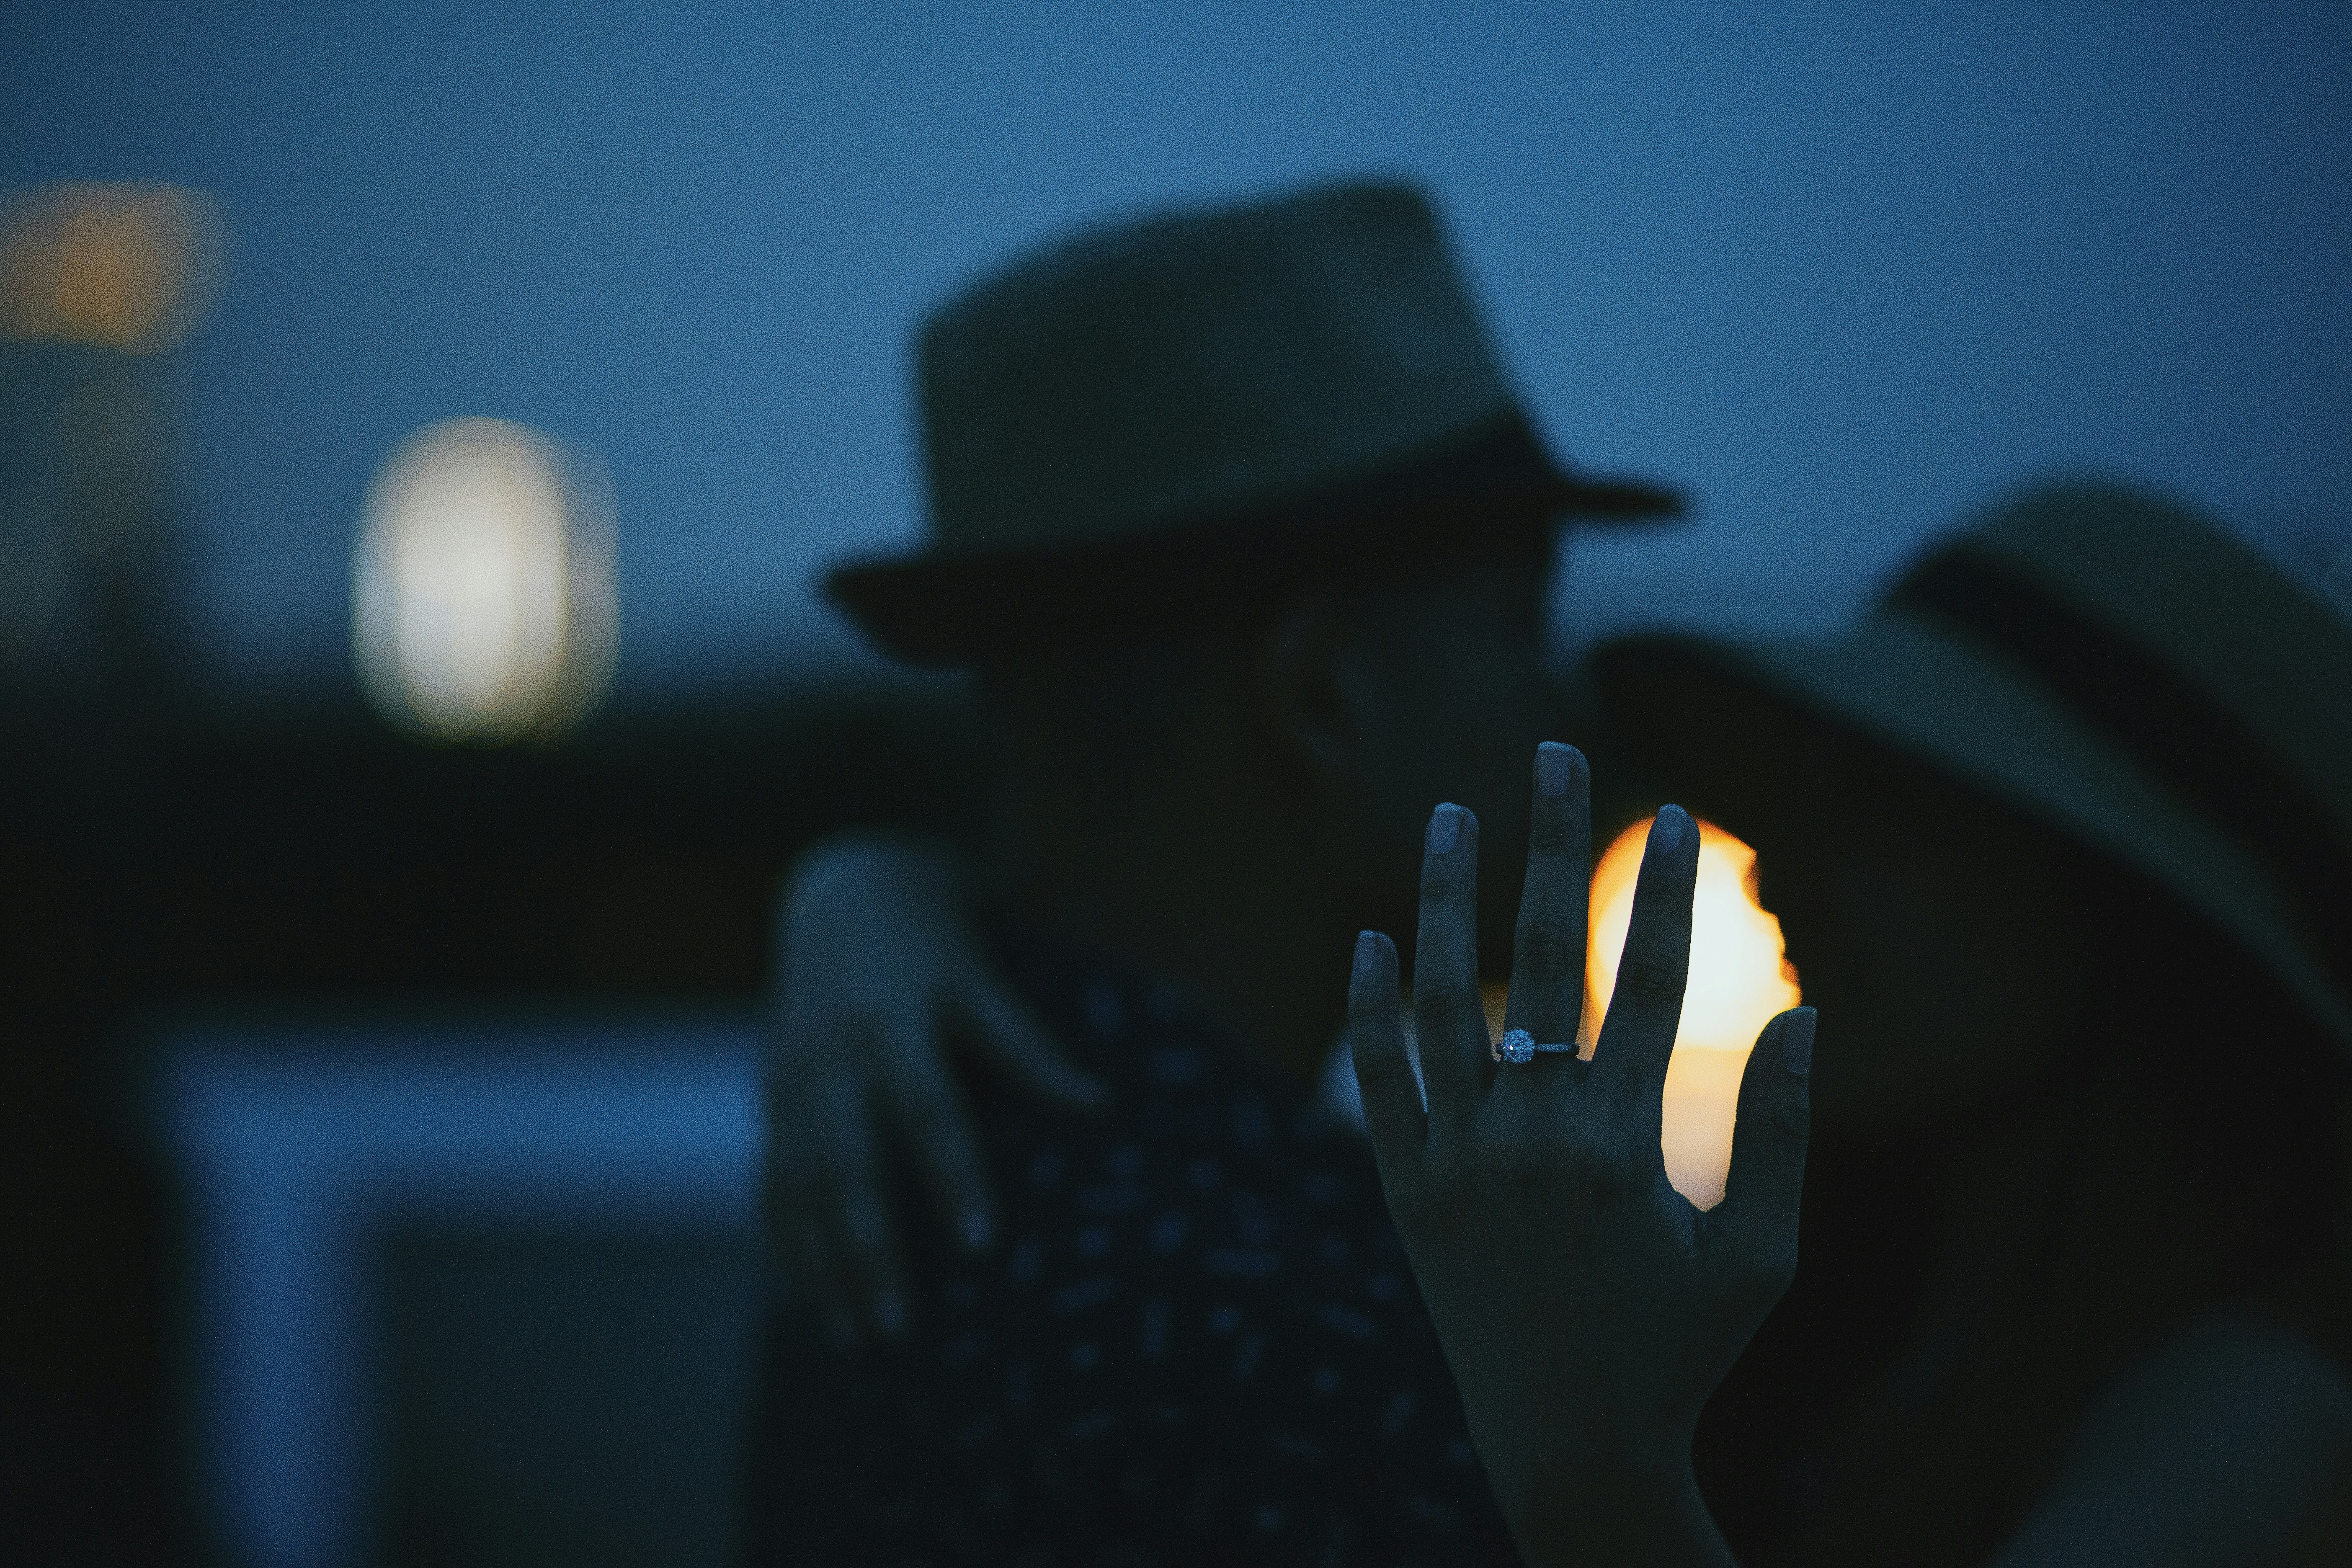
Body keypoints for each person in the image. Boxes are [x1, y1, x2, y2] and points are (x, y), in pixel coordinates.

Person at [767, 484, 2352, 1561]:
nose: (1778, 859)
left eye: (1898, 808)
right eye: (1791, 786)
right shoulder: (1842, 1280)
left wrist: (1597, 1477)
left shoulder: (2266, 1415)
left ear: (2143, 917)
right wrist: (869, 887)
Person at [741, 178, 1684, 1563]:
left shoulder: (891, 1181)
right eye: (1515, 621)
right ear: (1316, 697)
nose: (1563, 706)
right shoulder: (1331, 1332)